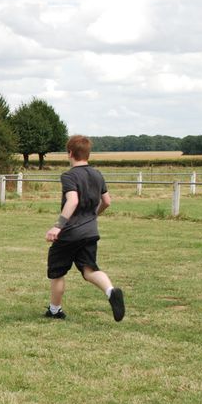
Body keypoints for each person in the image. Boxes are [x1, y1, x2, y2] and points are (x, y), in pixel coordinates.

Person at [44, 134, 126, 321]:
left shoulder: (69, 176)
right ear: (88, 154)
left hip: (70, 233)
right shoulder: (97, 174)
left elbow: (73, 200)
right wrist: (92, 216)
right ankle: (111, 291)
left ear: (70, 153)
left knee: (57, 272)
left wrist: (58, 226)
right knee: (89, 270)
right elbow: (107, 201)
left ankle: (55, 310)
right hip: (90, 232)